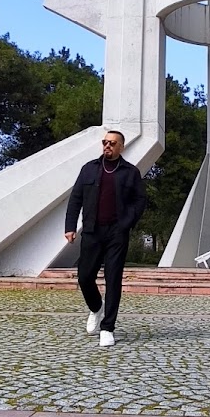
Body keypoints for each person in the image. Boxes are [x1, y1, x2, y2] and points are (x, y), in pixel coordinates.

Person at [63, 129, 146, 347]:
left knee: (113, 279)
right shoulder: (89, 169)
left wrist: (127, 223)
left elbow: (139, 201)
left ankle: (107, 327)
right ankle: (96, 308)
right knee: (84, 277)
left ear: (121, 147)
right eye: (105, 142)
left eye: (112, 143)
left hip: (117, 234)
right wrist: (70, 227)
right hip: (92, 231)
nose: (107, 146)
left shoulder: (130, 172)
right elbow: (75, 199)